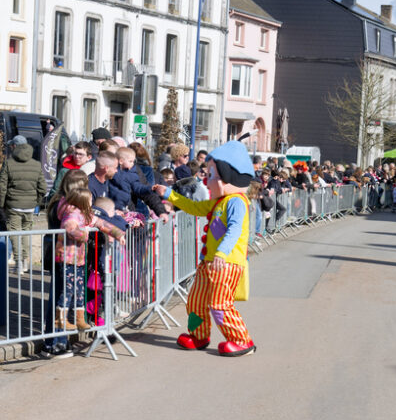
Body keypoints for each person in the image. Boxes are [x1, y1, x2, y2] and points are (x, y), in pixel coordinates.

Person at [151, 139, 256, 356]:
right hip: (209, 262)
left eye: (213, 176)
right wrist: (169, 194)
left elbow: (235, 229)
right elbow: (195, 207)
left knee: (219, 304)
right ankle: (198, 335)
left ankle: (242, 340)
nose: (207, 181)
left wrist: (221, 252)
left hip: (226, 262)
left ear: (229, 177)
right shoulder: (219, 201)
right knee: (196, 301)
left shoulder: (236, 201)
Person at [55, 187, 126, 332]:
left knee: (80, 289)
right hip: (68, 258)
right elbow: (71, 231)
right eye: (89, 200)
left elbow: (101, 223)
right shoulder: (71, 215)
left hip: (79, 259)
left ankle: (80, 318)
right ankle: (60, 319)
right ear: (81, 201)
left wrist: (118, 234)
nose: (91, 203)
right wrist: (85, 234)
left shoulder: (85, 214)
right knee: (68, 289)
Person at [0, 134, 44, 273]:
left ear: (14, 146)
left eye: (11, 146)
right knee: (26, 233)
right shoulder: (36, 164)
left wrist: (2, 204)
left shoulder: (9, 163)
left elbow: (1, 186)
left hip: (13, 205)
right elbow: (42, 188)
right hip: (29, 206)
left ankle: (19, 263)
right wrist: (36, 202)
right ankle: (24, 262)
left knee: (15, 234)